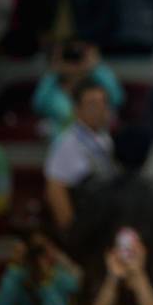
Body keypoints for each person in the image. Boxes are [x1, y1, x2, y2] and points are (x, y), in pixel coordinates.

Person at [44, 79, 116, 231]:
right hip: (84, 224)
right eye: (92, 104)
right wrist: (71, 232)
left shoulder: (105, 139)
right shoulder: (67, 143)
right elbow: (55, 189)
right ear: (77, 109)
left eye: (103, 103)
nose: (100, 108)